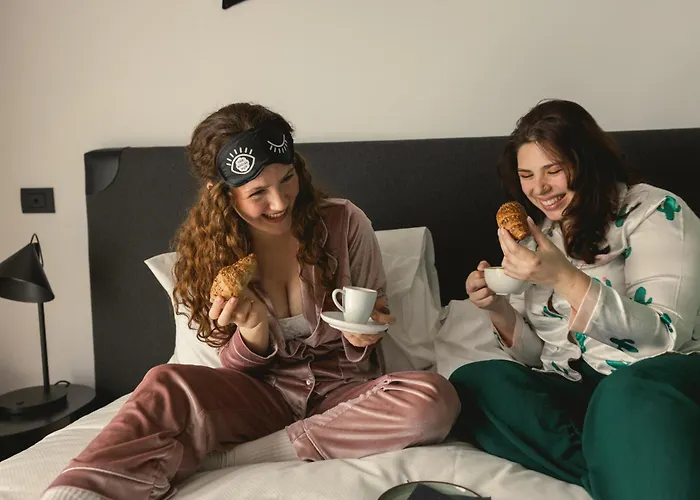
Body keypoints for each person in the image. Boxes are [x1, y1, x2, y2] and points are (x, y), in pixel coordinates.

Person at [43, 103, 460, 500]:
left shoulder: (344, 223)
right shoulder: (209, 256)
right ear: (223, 194)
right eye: (258, 191)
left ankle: (249, 456)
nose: (280, 202)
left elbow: (373, 313)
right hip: (259, 400)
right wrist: (254, 333)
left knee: (434, 400)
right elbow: (233, 372)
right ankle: (80, 489)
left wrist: (365, 334)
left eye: (287, 178)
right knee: (164, 383)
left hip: (345, 398)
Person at [450, 99, 700, 500]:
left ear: (588, 162)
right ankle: (615, 470)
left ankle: (623, 461)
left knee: (624, 393)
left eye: (553, 170)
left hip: (655, 381)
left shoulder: (653, 211)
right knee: (476, 384)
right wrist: (497, 308)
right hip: (579, 386)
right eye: (527, 175)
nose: (539, 188)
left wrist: (564, 277)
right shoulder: (540, 236)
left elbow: (665, 336)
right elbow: (539, 356)